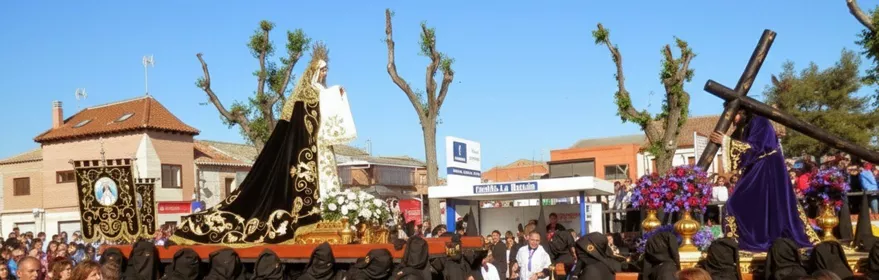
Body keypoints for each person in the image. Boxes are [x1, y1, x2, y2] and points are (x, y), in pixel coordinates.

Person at [171, 49, 357, 245]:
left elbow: (327, 108)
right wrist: (335, 93)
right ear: (313, 71)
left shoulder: (320, 91)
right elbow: (304, 119)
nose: (325, 73)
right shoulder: (306, 94)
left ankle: (331, 212)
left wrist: (336, 93)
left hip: (321, 145)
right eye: (322, 69)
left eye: (327, 69)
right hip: (310, 148)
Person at [709, 110, 819, 252]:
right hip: (759, 169)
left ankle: (760, 239)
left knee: (737, 202)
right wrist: (726, 141)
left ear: (742, 112)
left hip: (767, 169)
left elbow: (756, 148)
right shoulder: (748, 126)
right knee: (751, 204)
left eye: (734, 115)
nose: (733, 121)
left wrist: (725, 141)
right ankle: (757, 237)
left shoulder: (760, 121)